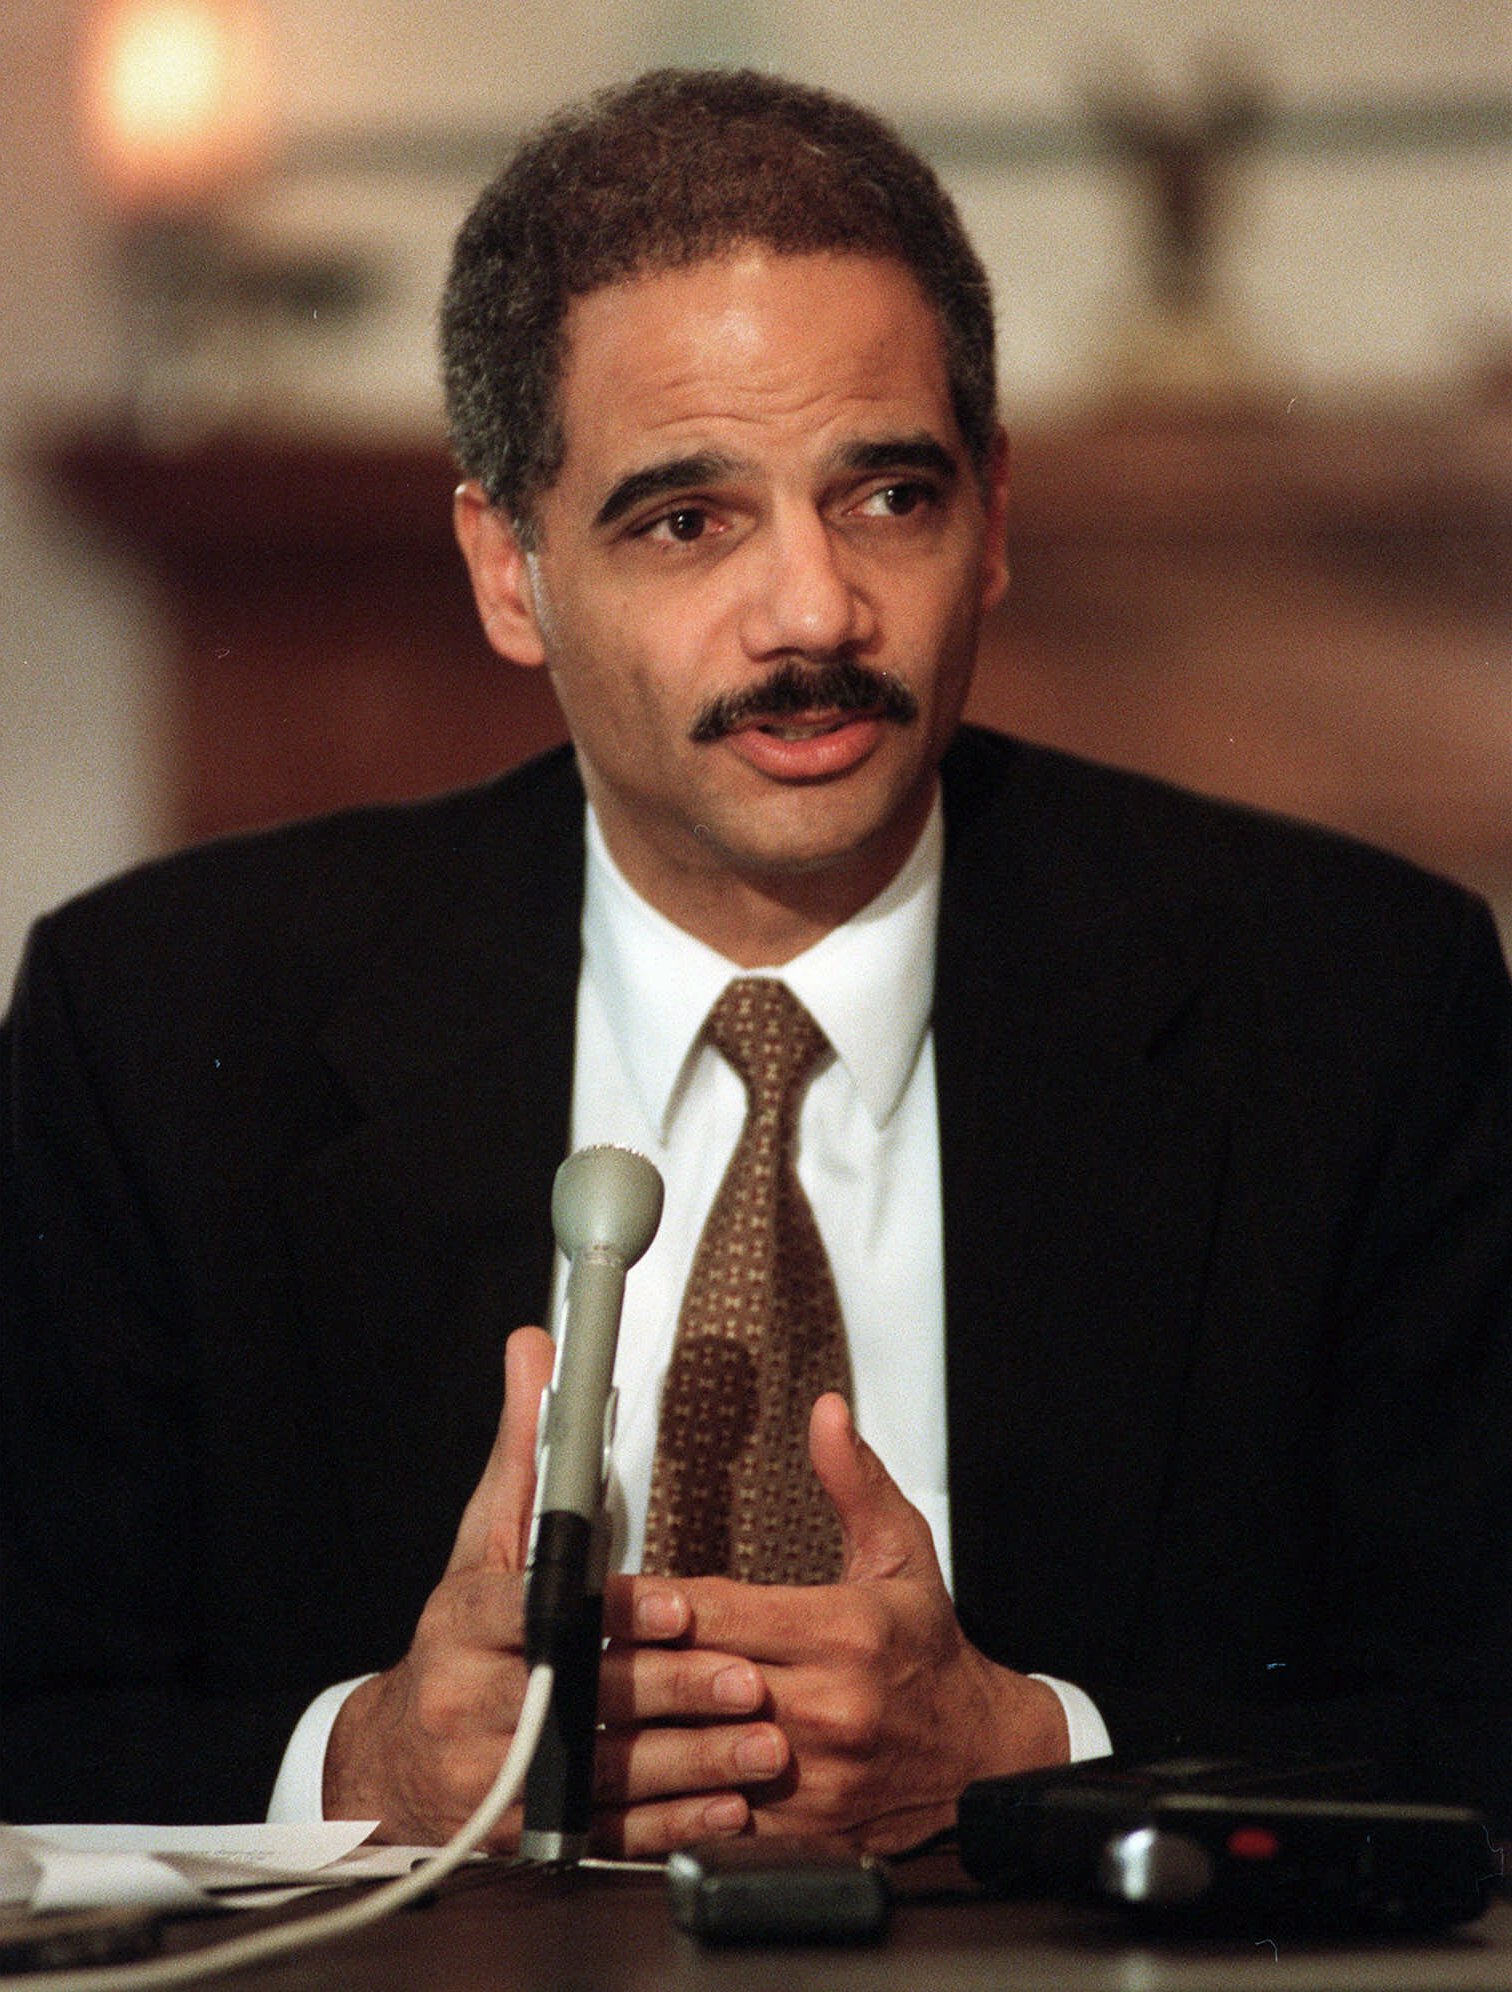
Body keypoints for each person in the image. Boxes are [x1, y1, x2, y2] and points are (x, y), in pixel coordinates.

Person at [4, 69, 1511, 1852]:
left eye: (888, 497)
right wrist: (364, 1768)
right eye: (687, 520)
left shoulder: (1359, 1003)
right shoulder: (159, 1022)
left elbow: (1476, 1712)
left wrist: (1037, 1752)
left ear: (994, 517)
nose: (814, 612)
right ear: (509, 570)